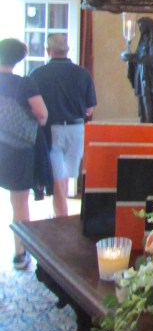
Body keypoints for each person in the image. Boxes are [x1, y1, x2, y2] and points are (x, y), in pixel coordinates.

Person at [30, 33, 97, 217]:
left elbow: (33, 107)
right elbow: (90, 109)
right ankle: (61, 214)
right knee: (64, 177)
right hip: (77, 129)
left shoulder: (37, 74)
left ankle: (61, 218)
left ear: (48, 50)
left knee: (57, 179)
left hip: (51, 129)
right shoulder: (83, 74)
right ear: (67, 50)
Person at [0, 38, 48, 269]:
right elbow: (42, 114)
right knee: (19, 202)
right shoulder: (23, 84)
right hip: (17, 150)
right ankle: (20, 253)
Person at [122, 16, 153, 123]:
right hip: (140, 72)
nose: (140, 28)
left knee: (147, 97)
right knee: (141, 98)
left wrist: (135, 58)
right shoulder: (142, 41)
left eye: (141, 26)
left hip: (147, 75)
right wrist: (130, 57)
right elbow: (137, 55)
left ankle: (149, 121)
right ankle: (143, 120)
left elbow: (152, 59)